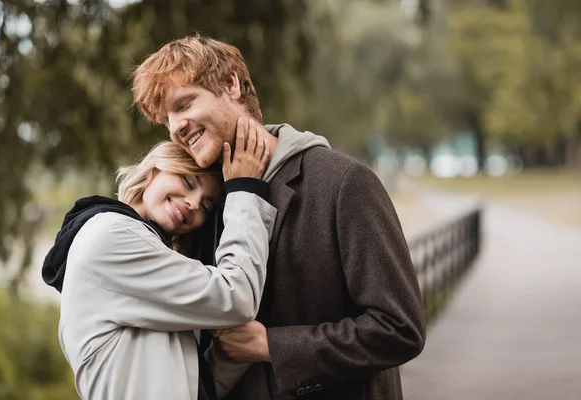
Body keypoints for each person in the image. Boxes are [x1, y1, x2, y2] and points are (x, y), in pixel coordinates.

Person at [132, 34, 426, 400]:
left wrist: (272, 346)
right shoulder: (201, 209)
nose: (175, 127)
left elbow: (399, 329)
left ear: (231, 85)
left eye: (185, 103)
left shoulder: (343, 183)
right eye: (167, 119)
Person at [41, 123, 276, 400]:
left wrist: (230, 355)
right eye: (189, 182)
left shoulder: (143, 258)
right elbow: (236, 296)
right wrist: (245, 191)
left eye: (205, 206)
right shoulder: (111, 237)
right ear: (155, 169)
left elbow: (185, 386)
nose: (192, 203)